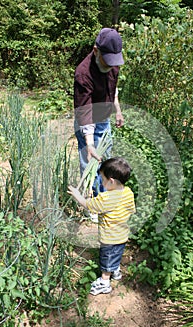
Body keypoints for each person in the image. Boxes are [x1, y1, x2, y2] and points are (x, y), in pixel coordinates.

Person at [68, 157, 136, 296]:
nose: (102, 183)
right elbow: (131, 209)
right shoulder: (128, 192)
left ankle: (104, 283)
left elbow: (89, 205)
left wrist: (78, 196)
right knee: (116, 254)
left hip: (109, 238)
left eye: (102, 180)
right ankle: (115, 271)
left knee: (106, 259)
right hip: (122, 234)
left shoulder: (106, 198)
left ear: (111, 181)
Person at [74, 28, 125, 197]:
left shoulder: (113, 65)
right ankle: (91, 203)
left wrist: (118, 111)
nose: (110, 66)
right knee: (90, 164)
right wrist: (89, 144)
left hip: (104, 118)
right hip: (87, 121)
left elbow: (113, 88)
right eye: (107, 61)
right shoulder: (83, 74)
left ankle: (103, 197)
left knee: (106, 161)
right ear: (96, 51)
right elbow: (85, 111)